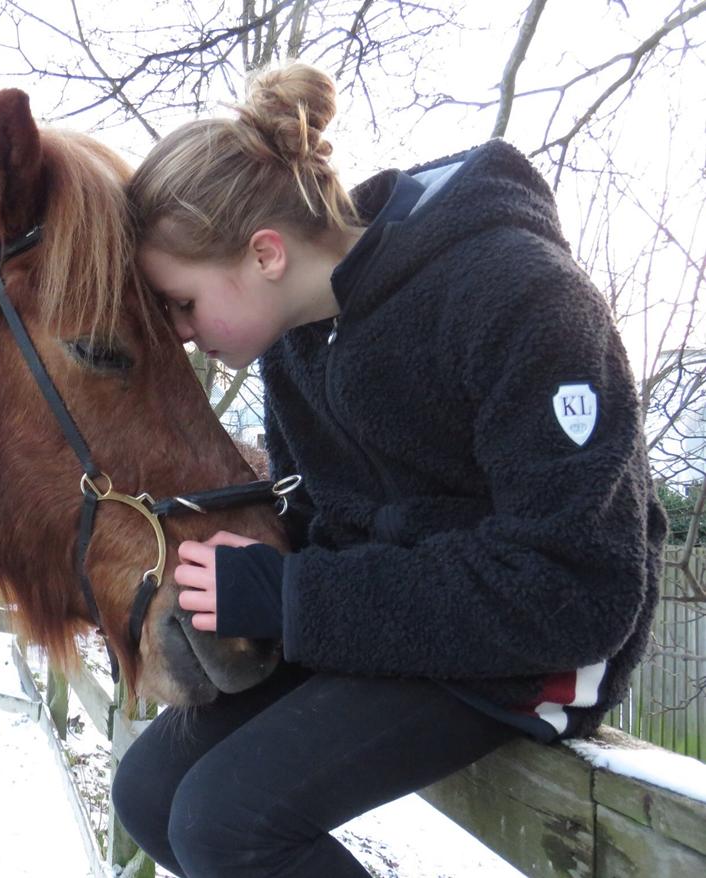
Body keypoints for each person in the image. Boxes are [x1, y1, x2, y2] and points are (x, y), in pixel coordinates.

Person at [112, 62, 665, 878]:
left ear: (264, 253)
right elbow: (326, 522)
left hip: (532, 652)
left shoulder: (518, 294)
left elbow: (578, 588)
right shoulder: (295, 348)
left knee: (226, 825)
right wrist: (254, 575)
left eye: (183, 303)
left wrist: (293, 596)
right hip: (401, 623)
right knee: (147, 791)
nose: (181, 334)